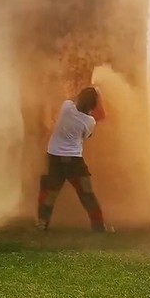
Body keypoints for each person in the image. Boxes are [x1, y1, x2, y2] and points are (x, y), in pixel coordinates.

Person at [36, 87, 111, 232]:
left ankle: (42, 223)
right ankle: (98, 226)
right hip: (74, 162)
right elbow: (86, 136)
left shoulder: (66, 106)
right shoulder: (89, 121)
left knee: (49, 193)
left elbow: (72, 98)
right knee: (87, 194)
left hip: (54, 158)